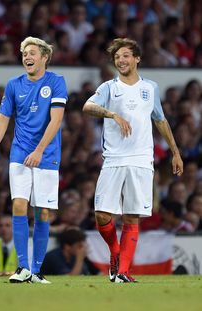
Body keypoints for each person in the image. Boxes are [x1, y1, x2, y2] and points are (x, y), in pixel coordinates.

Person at [82, 38, 183, 283]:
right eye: (117, 57)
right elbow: (87, 106)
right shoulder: (108, 87)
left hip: (141, 159)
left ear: (137, 58)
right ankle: (115, 252)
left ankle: (123, 272)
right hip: (114, 159)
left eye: (125, 55)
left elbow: (160, 119)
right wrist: (112, 113)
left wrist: (175, 151)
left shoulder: (151, 88)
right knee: (102, 215)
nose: (121, 60)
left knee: (131, 216)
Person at [0, 36, 68, 284]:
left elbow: (56, 120)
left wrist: (40, 150)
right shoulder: (13, 84)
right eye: (24, 54)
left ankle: (37, 271)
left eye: (32, 53)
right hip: (20, 153)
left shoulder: (56, 82)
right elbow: (2, 120)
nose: (27, 58)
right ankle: (23, 268)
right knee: (19, 205)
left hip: (47, 155)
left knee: (42, 212)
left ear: (44, 57)